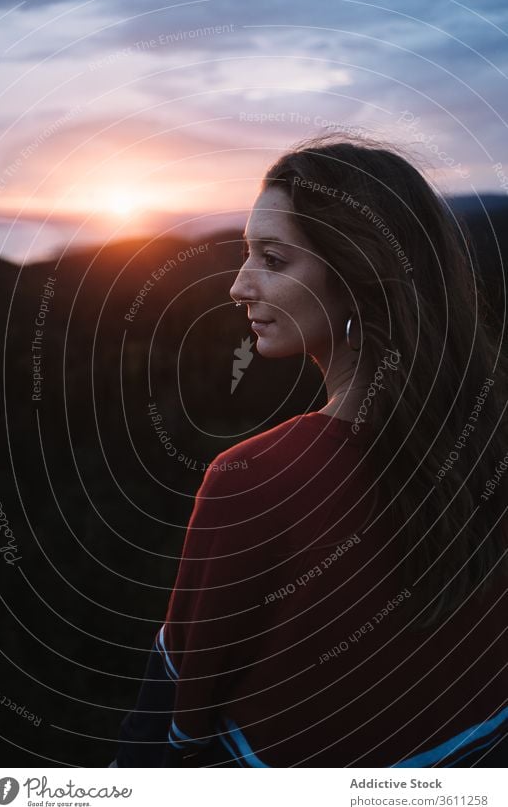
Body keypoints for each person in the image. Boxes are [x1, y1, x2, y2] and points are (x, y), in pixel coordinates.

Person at [110, 134, 508, 768]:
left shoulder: (257, 479)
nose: (239, 286)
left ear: (357, 275)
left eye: (273, 258)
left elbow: (170, 727)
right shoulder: (486, 443)